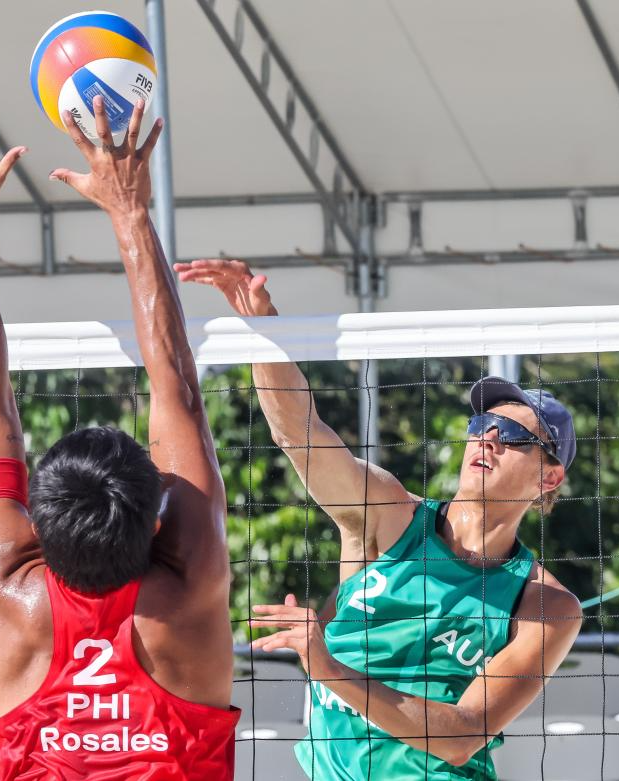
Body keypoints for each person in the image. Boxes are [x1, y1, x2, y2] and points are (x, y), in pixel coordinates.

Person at [0, 98, 238, 779]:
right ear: (155, 519)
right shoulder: (187, 594)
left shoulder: (9, 594)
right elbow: (178, 393)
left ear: (37, 529)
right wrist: (130, 210)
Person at [176, 258, 583, 780]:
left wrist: (328, 669)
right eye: (482, 423)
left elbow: (461, 737)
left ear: (549, 478)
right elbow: (301, 435)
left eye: (512, 435)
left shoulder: (545, 605)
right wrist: (266, 334)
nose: (487, 439)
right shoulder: (388, 514)